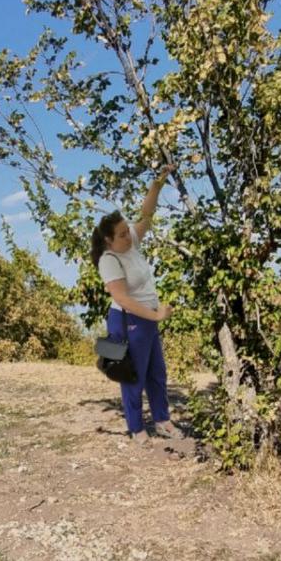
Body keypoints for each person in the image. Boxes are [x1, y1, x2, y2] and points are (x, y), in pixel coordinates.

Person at [91, 166, 179, 443]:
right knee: (132, 375)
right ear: (108, 240)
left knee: (157, 372)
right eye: (122, 235)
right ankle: (137, 428)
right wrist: (157, 316)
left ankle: (163, 421)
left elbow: (147, 216)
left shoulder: (130, 243)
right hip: (129, 320)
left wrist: (157, 184)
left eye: (127, 232)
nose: (129, 237)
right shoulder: (109, 259)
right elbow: (122, 298)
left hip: (147, 318)